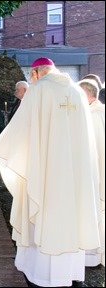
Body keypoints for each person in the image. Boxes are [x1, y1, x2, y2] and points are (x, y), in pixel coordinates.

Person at [0, 57, 101, 287]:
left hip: (45, 172)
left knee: (45, 215)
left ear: (36, 72)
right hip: (73, 173)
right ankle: (68, 274)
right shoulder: (76, 92)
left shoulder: (38, 90)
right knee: (69, 219)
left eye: (31, 76)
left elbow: (20, 129)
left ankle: (43, 277)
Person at [78, 78, 105, 267]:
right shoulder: (98, 111)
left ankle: (92, 254)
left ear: (87, 94)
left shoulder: (94, 115)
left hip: (95, 172)